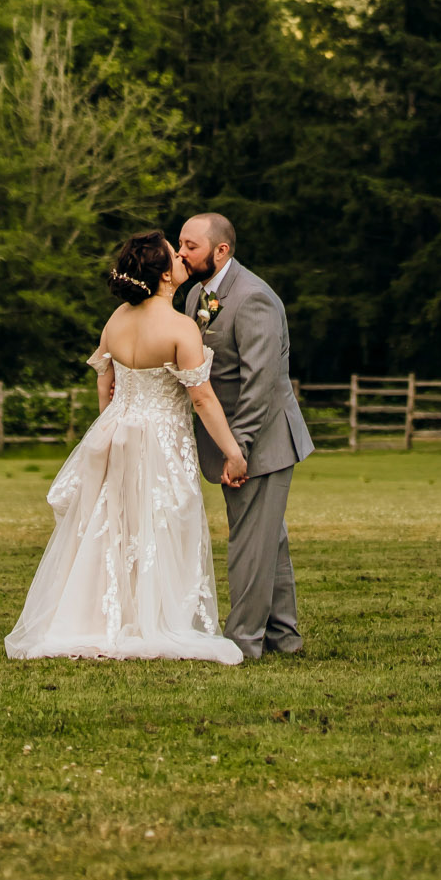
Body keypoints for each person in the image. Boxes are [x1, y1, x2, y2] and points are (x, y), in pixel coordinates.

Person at [5, 229, 246, 663]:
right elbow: (202, 397)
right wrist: (232, 451)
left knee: (112, 527)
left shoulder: (116, 319)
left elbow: (105, 381)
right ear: (166, 277)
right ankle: (152, 619)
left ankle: (103, 618)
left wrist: (110, 423)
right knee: (161, 523)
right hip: (160, 440)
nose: (182, 260)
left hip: (115, 432)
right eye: (176, 255)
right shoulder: (180, 328)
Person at [177, 212, 313, 661]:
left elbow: (262, 382)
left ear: (222, 251)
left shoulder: (254, 298)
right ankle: (284, 638)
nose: (181, 253)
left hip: (262, 441)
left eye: (190, 246)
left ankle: (243, 642)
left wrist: (240, 449)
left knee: (250, 544)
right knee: (266, 539)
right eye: (181, 243)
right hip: (231, 440)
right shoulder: (195, 294)